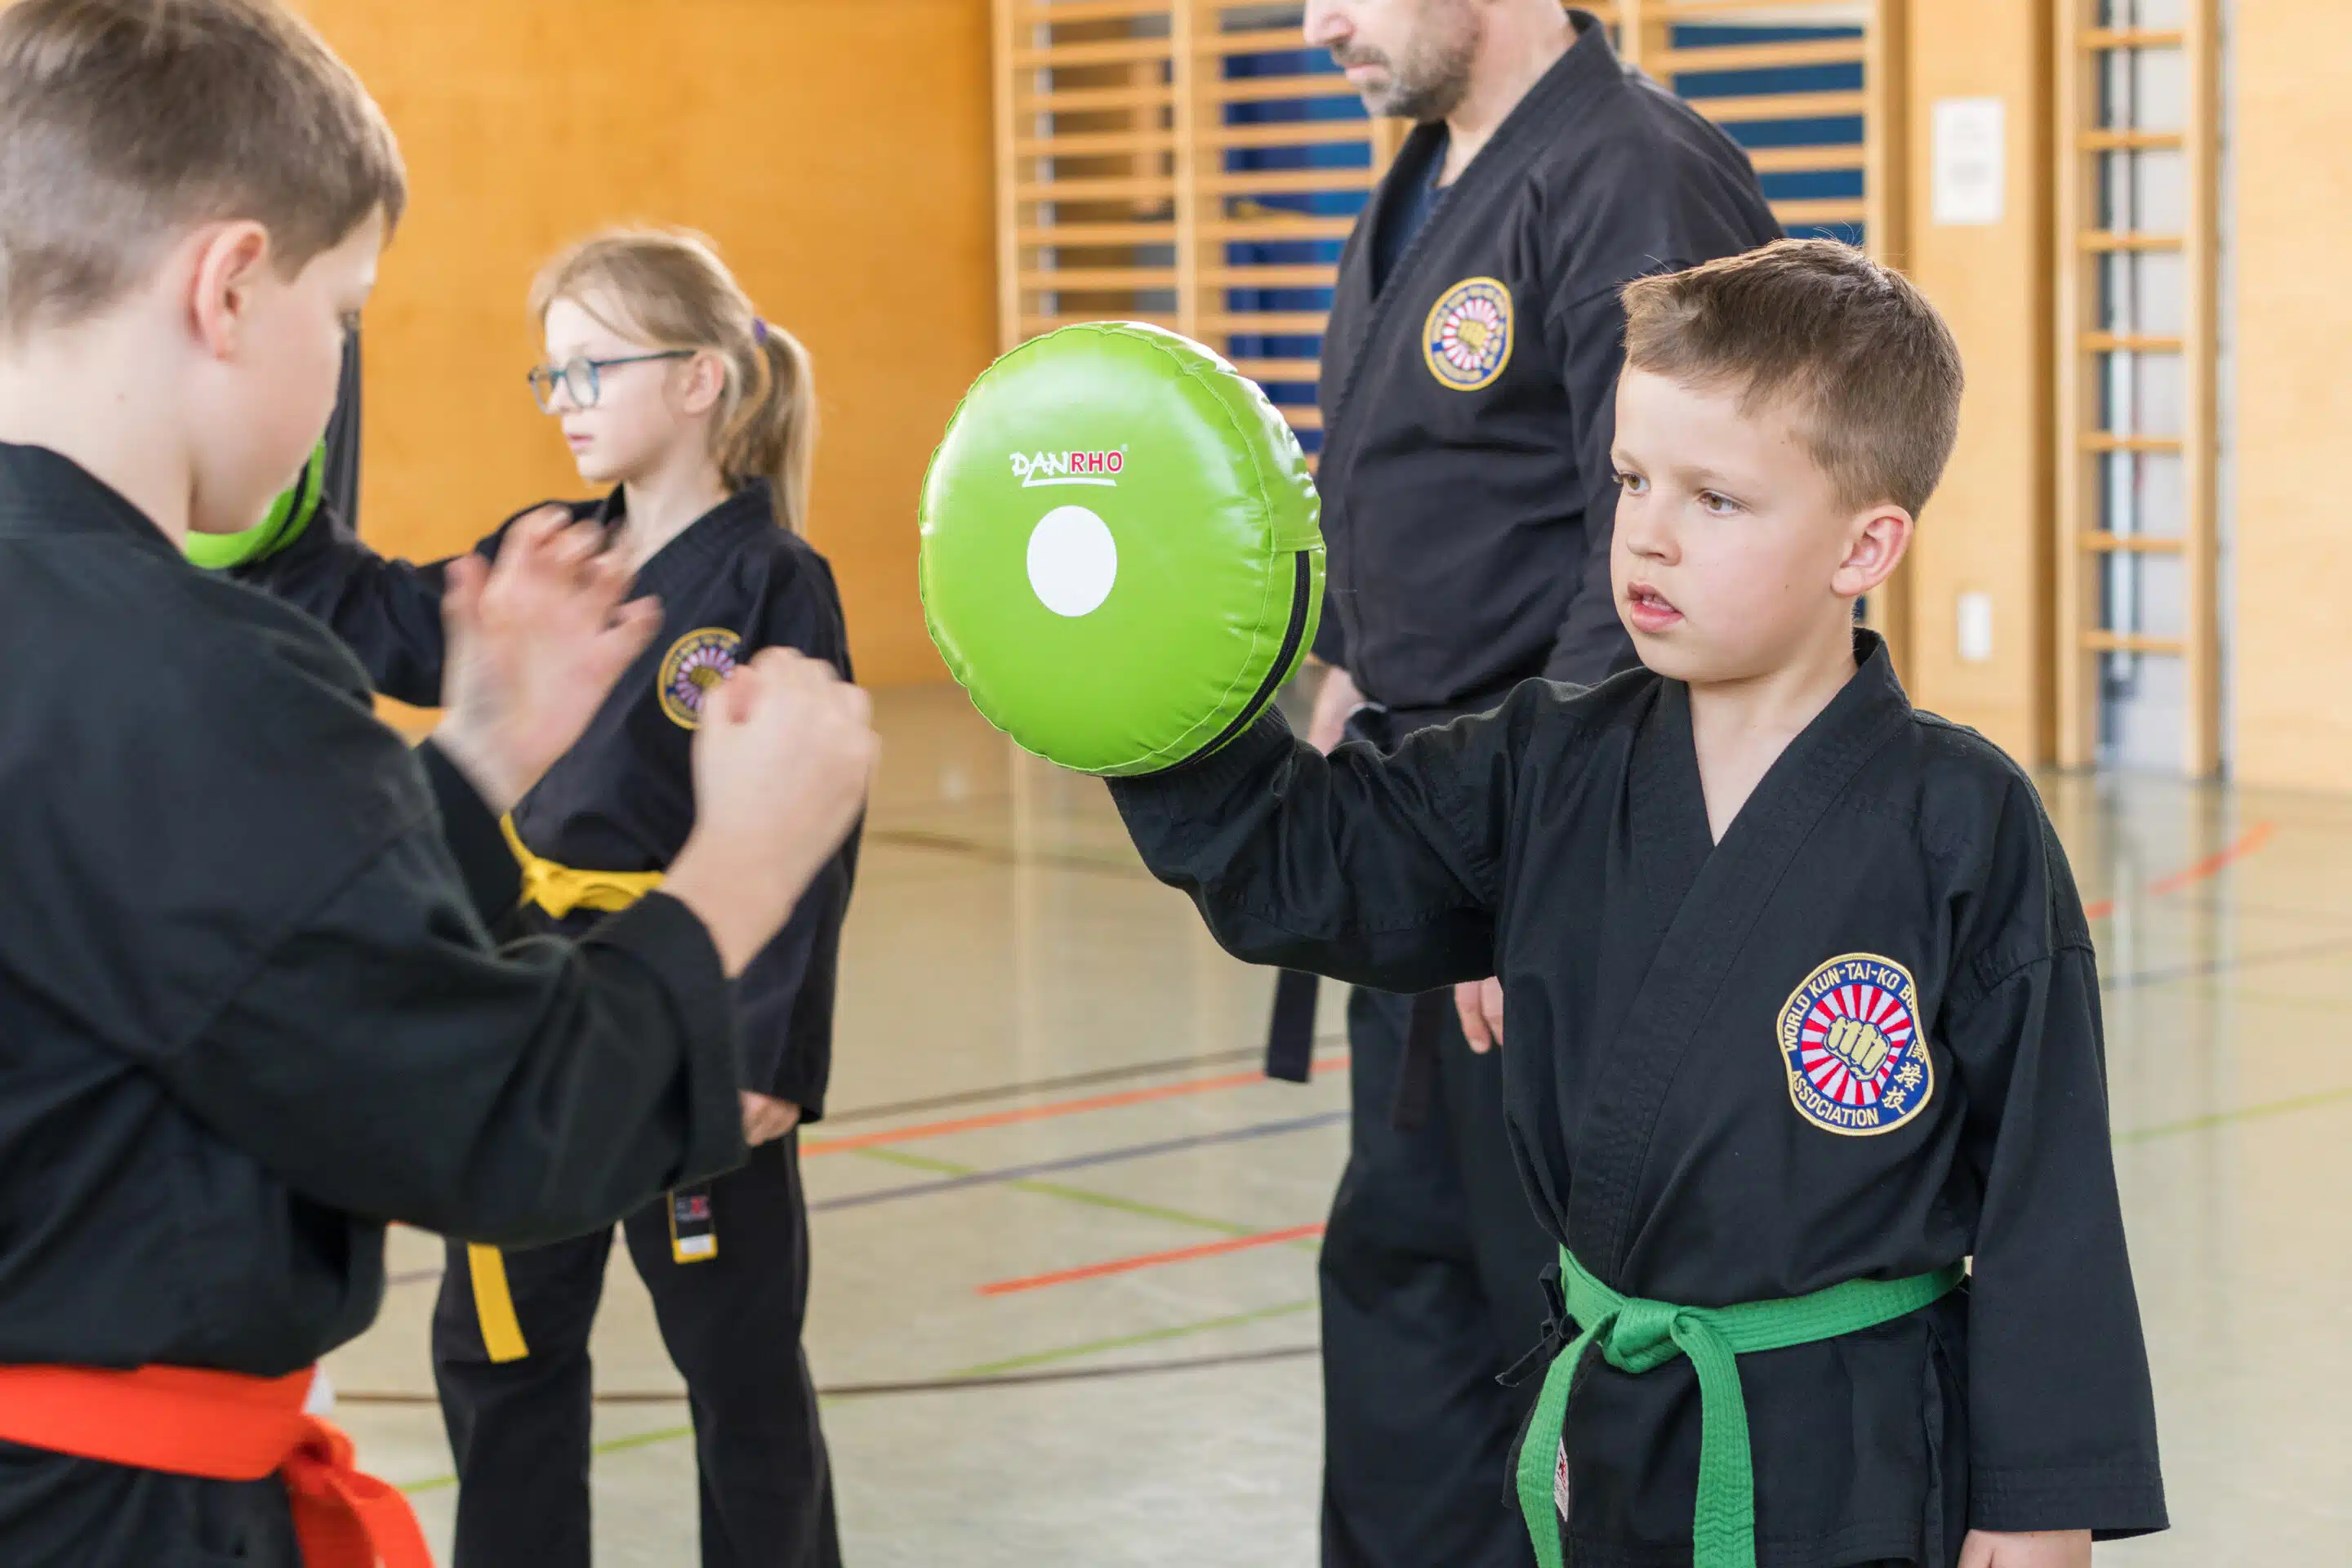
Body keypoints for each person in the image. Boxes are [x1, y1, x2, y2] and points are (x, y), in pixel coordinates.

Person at [1107, 242, 2166, 1568]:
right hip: (1610, 1431)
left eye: (1716, 499)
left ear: (1866, 544)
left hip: (1858, 1457)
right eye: (1629, 479)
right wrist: (1130, 688)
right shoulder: (1544, 760)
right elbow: (1315, 860)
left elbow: (2045, 1182)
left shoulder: (1960, 822)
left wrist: (2040, 1494)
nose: (1648, 531)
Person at [0, 3, 876, 1566]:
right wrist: (739, 872)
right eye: (345, 313)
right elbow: (496, 1123)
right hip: (104, 1519)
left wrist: (472, 767)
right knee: (520, 1360)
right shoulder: (199, 681)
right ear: (230, 289)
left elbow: (242, 974)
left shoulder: (91, 643)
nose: (338, 360)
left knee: (731, 1364)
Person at [238, 229, 853, 1568]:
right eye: (550, 378)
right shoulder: (554, 554)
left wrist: (767, 1044)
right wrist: (268, 495)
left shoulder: (771, 581)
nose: (563, 399)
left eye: (591, 369)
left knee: (738, 1367)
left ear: (699, 381)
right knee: (502, 1354)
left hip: (699, 1004)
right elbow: (384, 614)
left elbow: (807, 828)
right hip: (527, 1004)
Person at [1272, 4, 1782, 1561]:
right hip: (1429, 844)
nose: (1318, 26)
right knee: (1404, 1291)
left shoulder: (1635, 177)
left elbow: (1659, 555)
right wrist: (1341, 661)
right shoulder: (1423, 177)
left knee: (1556, 1336)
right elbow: (1418, 492)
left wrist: (1536, 860)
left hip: (1561, 873)